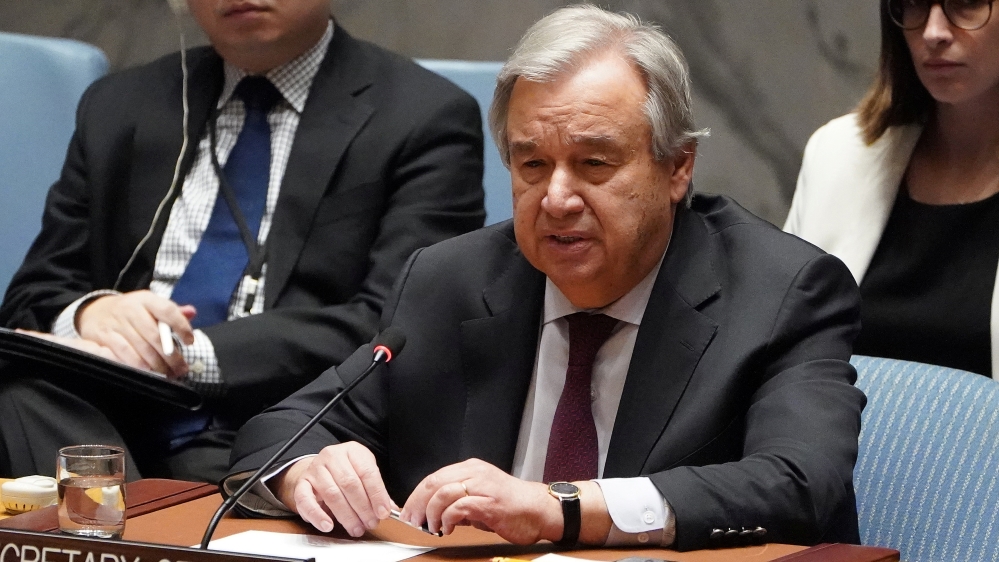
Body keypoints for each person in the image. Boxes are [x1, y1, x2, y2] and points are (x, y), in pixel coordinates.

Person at [227, 4, 865, 552]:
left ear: (678, 169)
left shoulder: (780, 291)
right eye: (532, 163)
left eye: (594, 163)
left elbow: (798, 482)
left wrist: (560, 507)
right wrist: (310, 469)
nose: (557, 197)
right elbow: (279, 430)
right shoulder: (451, 280)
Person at [0, 0, 485, 482]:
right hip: (92, 410)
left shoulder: (424, 116)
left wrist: (178, 353)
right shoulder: (119, 104)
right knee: (24, 398)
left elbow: (399, 325)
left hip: (269, 426)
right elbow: (32, 297)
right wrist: (90, 314)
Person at [785, 0, 999, 379]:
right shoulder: (838, 155)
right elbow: (779, 357)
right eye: (915, 3)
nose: (933, 32)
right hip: (833, 437)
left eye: (966, 3)